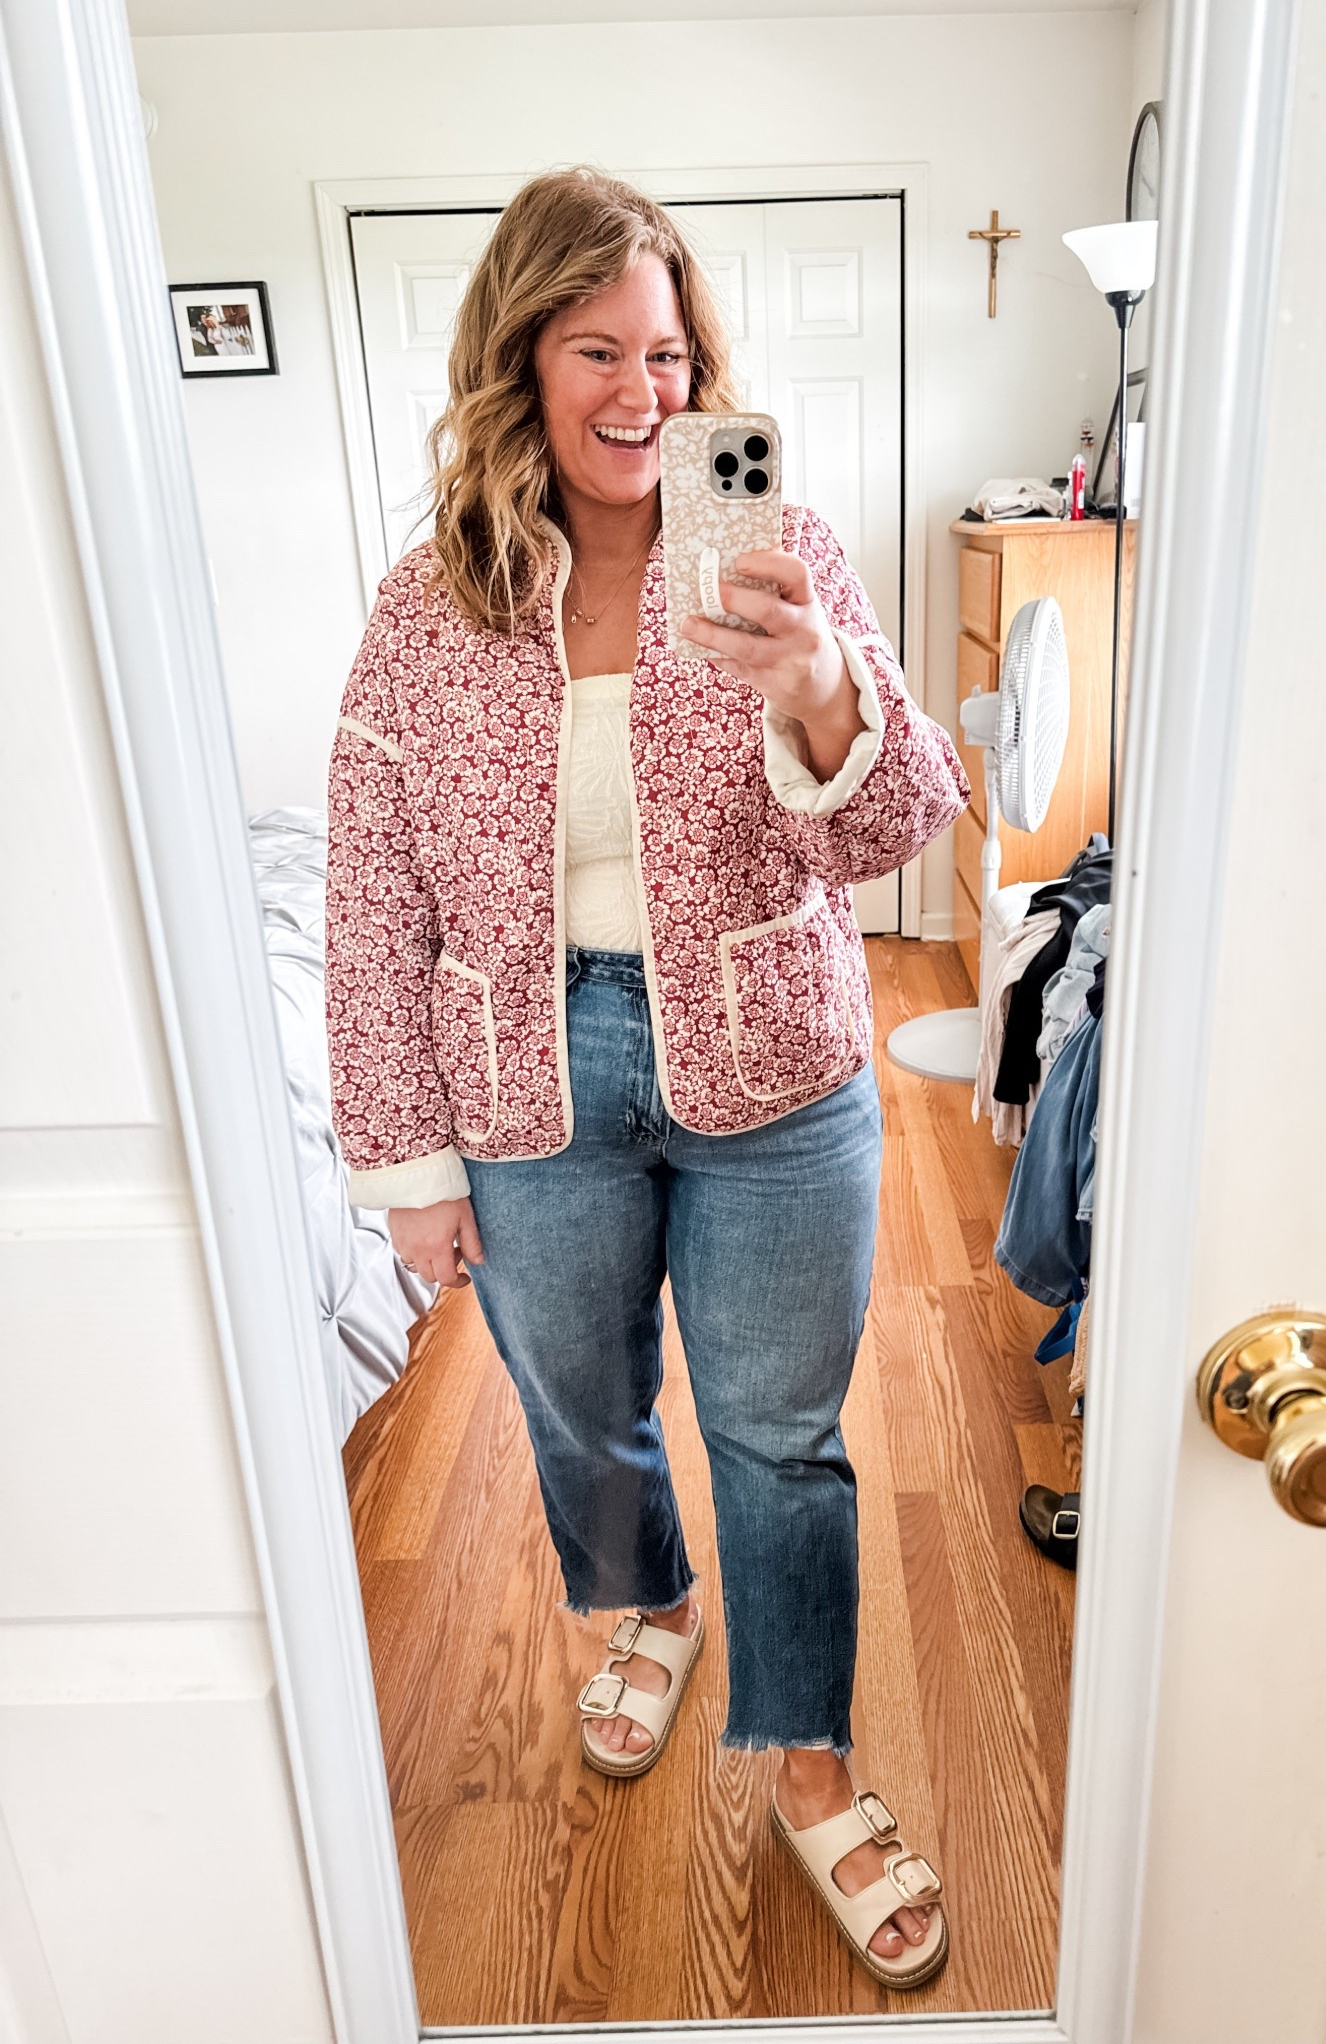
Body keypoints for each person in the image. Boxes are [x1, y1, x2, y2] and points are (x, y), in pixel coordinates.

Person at [324, 167, 968, 1989]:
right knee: (578, 1403)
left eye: (671, 352)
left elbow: (905, 831)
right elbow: (371, 891)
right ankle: (645, 1611)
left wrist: (820, 684)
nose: (642, 392)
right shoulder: (428, 604)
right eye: (597, 347)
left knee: (779, 1430)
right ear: (517, 360)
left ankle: (807, 1759)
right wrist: (407, 1161)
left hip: (771, 1062)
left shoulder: (784, 555)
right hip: (525, 1075)